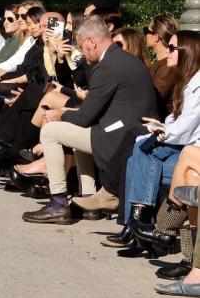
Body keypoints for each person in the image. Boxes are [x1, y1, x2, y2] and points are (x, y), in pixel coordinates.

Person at [23, 15, 158, 225]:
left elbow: (85, 116)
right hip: (129, 132)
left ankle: (58, 203)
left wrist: (59, 114)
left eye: (82, 47)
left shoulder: (108, 67)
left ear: (91, 42)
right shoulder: (123, 59)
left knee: (51, 131)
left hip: (119, 139)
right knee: (72, 130)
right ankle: (88, 200)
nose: (83, 54)